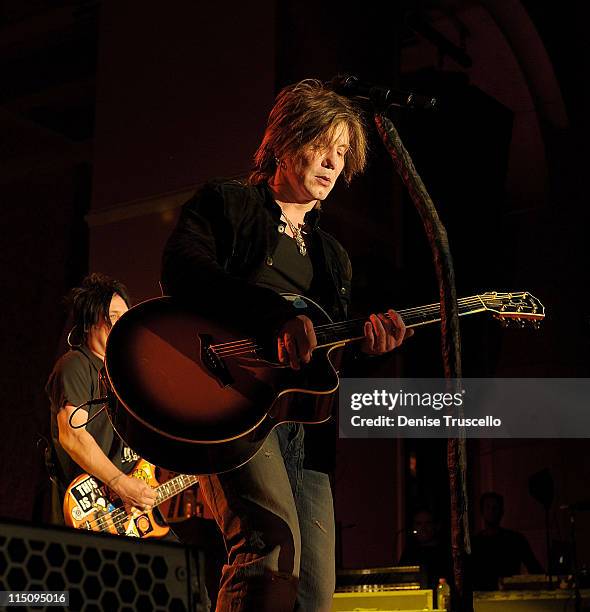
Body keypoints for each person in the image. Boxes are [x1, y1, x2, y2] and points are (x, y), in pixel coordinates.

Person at [161, 79, 412, 611]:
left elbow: (327, 360)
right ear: (282, 141)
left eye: (342, 152)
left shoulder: (335, 259)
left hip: (307, 430)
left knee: (315, 592)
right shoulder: (228, 204)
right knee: (267, 554)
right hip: (231, 400)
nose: (332, 162)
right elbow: (183, 269)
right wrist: (271, 314)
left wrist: (368, 349)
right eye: (321, 144)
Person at [45, 273, 157, 524]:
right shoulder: (75, 365)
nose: (121, 325)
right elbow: (72, 435)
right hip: (92, 509)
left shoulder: (129, 375)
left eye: (125, 318)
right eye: (113, 317)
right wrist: (121, 484)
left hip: (130, 508)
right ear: (89, 322)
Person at [471, 491, 544, 590]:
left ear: (501, 512)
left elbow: (534, 568)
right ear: (482, 511)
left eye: (495, 508)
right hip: (482, 598)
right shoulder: (474, 543)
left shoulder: (515, 539)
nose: (491, 511)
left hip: (509, 595)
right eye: (488, 507)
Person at [399, 509, 452, 590]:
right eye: (419, 524)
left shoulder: (446, 552)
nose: (423, 528)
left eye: (428, 523)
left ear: (436, 526)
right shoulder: (410, 551)